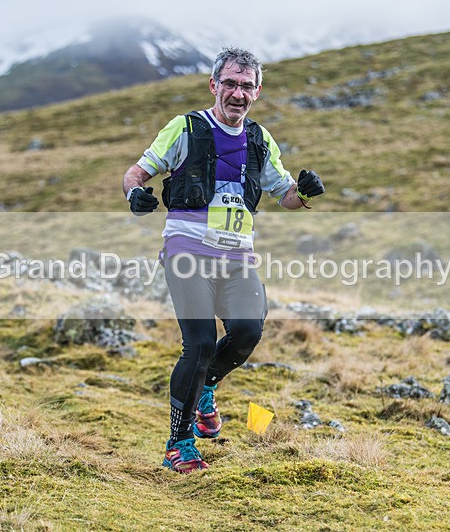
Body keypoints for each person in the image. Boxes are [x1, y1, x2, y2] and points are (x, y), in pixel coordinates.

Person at [122, 47, 325, 473]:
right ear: (214, 85)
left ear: (258, 91)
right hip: (187, 251)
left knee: (248, 331)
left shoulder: (259, 140)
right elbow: (137, 173)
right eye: (230, 83)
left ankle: (207, 386)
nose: (238, 93)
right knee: (197, 345)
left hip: (236, 256)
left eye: (247, 86)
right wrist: (134, 195)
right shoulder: (186, 128)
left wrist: (304, 191)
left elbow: (285, 196)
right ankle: (179, 443)